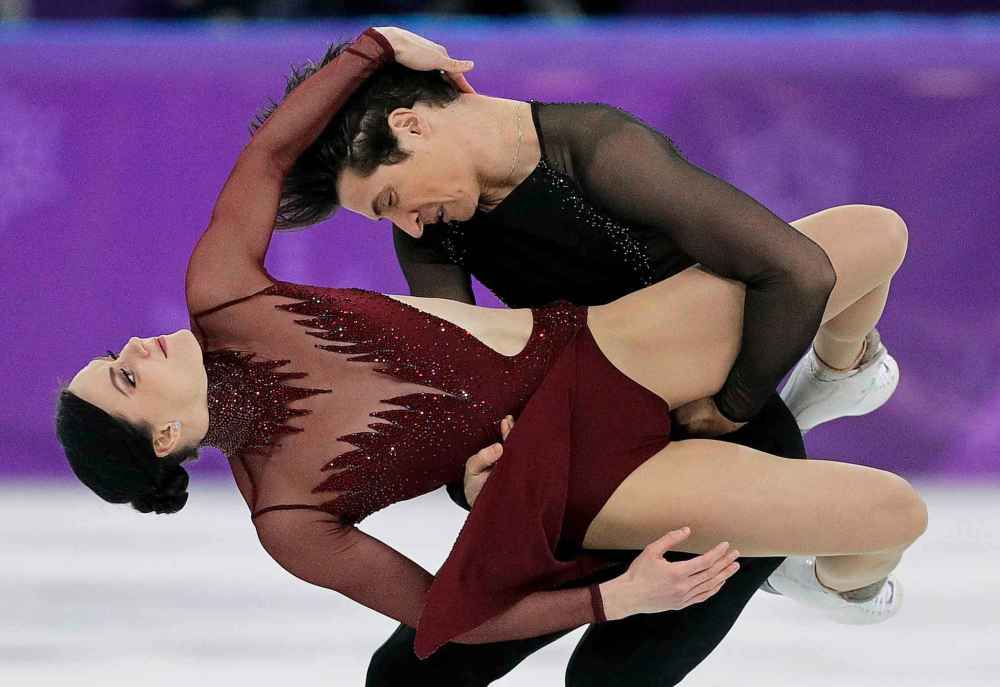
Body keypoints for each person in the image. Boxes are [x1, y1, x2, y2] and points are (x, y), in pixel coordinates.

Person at [54, 26, 926, 679]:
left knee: (871, 233)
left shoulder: (226, 296)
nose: (134, 345)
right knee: (896, 513)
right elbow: (444, 615)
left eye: (114, 354)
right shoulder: (288, 518)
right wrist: (612, 599)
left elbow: (274, 149)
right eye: (126, 376)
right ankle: (829, 579)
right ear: (165, 435)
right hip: (577, 474)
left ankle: (831, 382)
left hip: (613, 346)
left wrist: (372, 45)